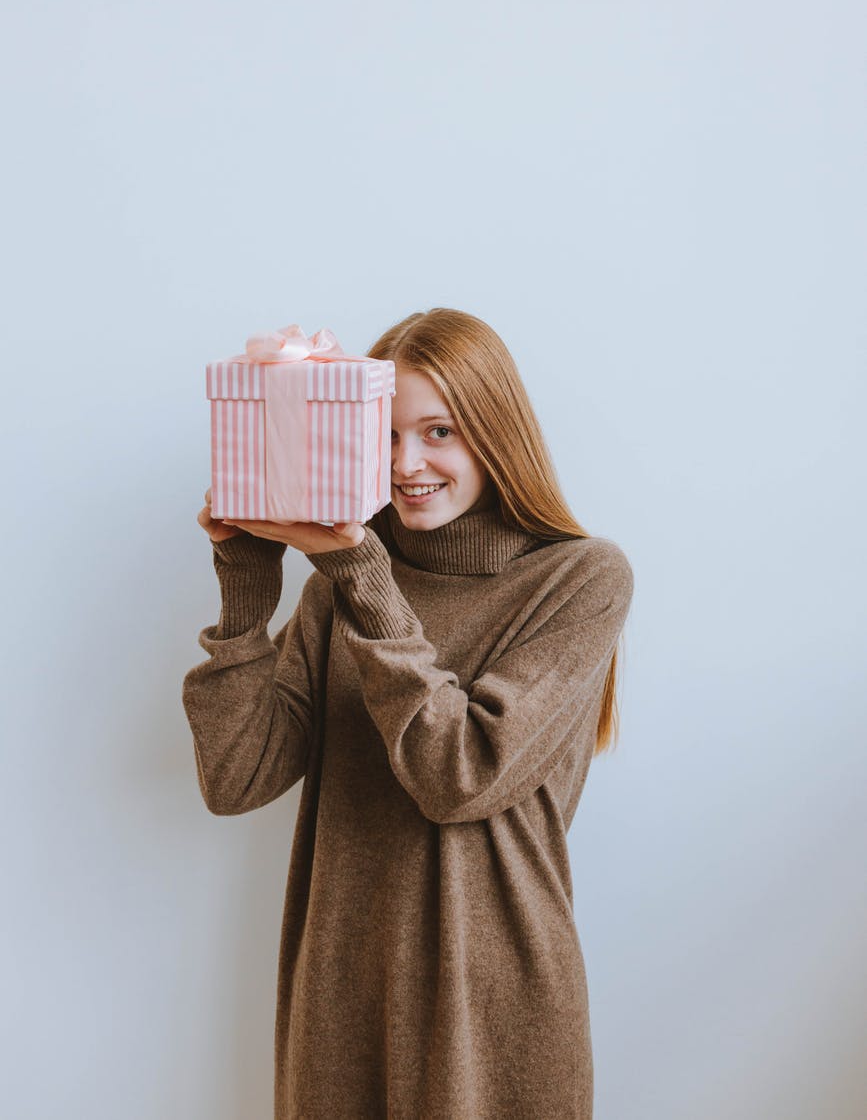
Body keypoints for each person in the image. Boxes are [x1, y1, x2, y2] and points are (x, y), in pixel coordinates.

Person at [182, 306, 635, 1120]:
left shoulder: (579, 579)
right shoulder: (343, 586)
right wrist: (246, 593)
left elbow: (458, 774)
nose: (405, 463)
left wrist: (360, 576)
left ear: (497, 437)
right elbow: (235, 779)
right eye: (384, 435)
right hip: (343, 990)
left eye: (438, 432)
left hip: (491, 998)